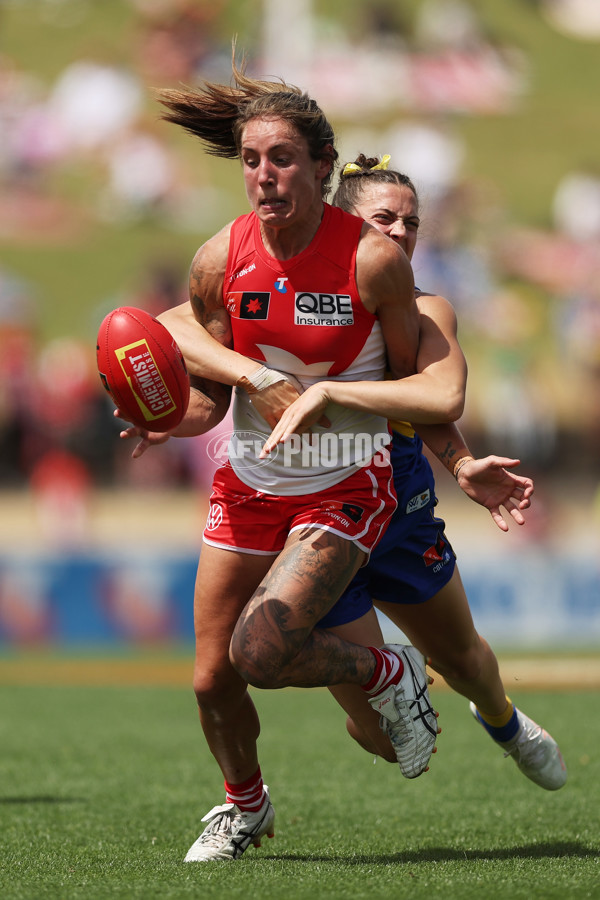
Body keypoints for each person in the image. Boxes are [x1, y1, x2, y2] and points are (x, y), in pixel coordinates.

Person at [135, 58, 474, 863]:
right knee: (211, 678)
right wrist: (165, 414)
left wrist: (453, 460)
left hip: (347, 485)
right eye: (252, 160)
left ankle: (390, 674)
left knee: (259, 655)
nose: (263, 175)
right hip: (250, 484)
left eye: (281, 158)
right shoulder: (221, 258)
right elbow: (211, 396)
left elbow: (410, 383)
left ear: (323, 168)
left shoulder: (371, 261)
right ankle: (244, 807)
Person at [262, 153, 567, 793]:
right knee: (380, 737)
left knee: (464, 659)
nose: (401, 232)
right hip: (319, 517)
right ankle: (395, 682)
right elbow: (202, 328)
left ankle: (504, 722)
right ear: (342, 222)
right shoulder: (285, 290)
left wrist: (458, 461)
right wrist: (170, 412)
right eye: (384, 219)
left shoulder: (430, 309)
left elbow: (437, 397)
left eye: (412, 222)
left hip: (398, 508)